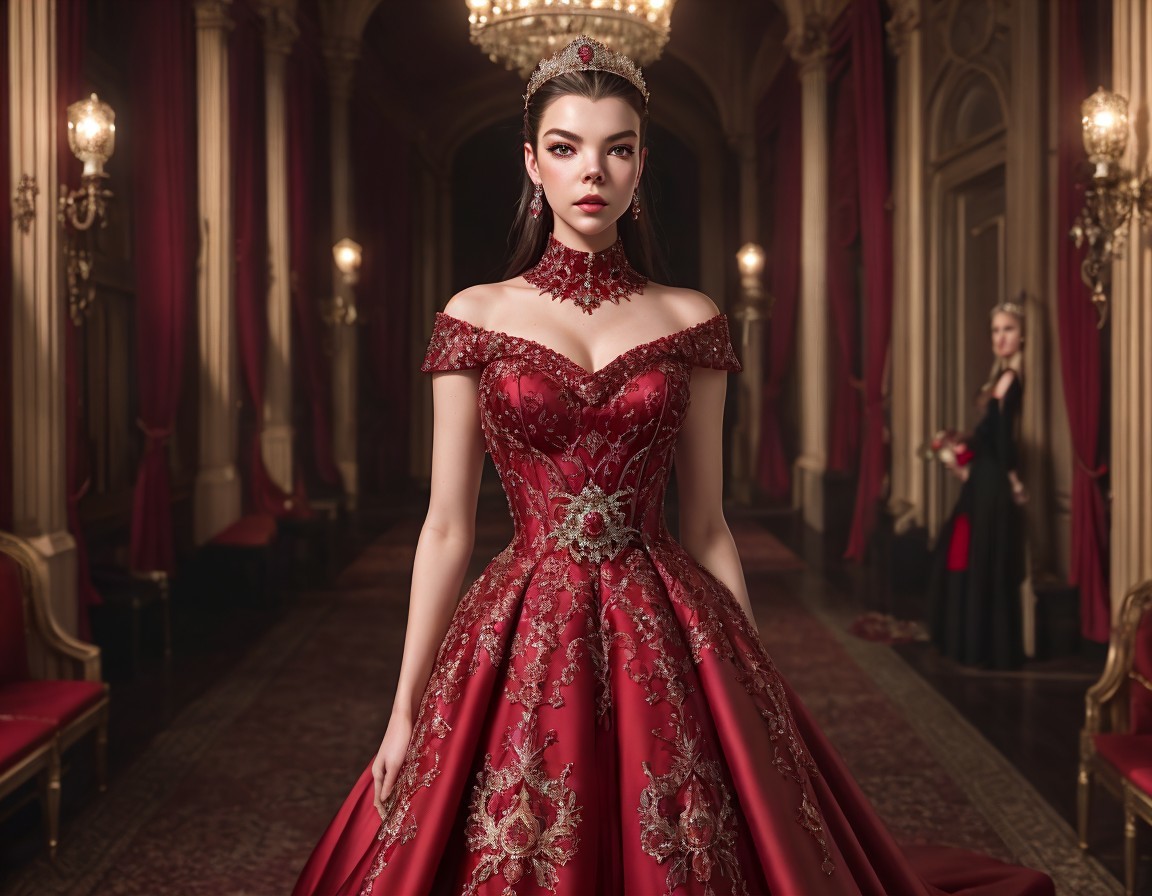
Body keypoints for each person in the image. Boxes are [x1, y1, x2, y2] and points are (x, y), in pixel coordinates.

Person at [293, 38, 1052, 895]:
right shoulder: (474, 315)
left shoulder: (692, 320)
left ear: (641, 165)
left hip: (665, 610)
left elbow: (707, 524)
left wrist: (756, 687)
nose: (593, 172)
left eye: (617, 149)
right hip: (522, 615)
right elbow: (445, 528)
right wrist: (402, 714)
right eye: (567, 147)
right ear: (531, 163)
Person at [928, 303, 1028, 671]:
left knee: (977, 556)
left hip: (992, 483)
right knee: (964, 552)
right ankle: (968, 643)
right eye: (996, 330)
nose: (1000, 337)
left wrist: (1013, 479)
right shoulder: (1001, 377)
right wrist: (960, 451)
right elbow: (992, 437)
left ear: (1023, 336)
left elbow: (1003, 440)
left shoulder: (1010, 379)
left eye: (1008, 330)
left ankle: (978, 646)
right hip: (985, 481)